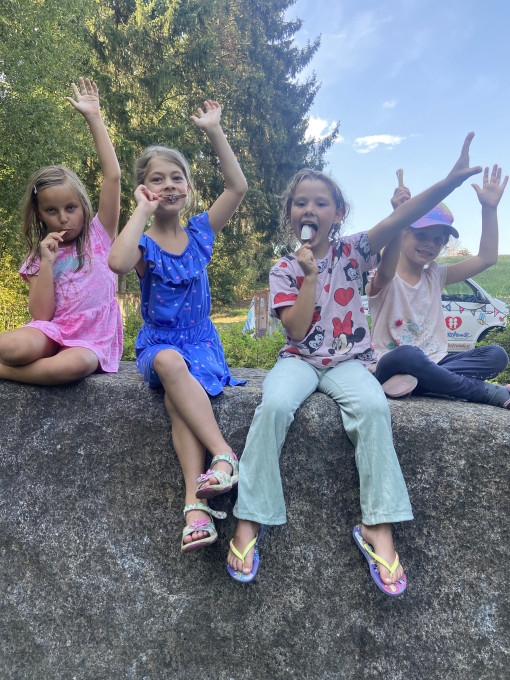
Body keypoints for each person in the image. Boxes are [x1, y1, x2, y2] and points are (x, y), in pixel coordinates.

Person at [226, 133, 482, 596]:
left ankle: (377, 526)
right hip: (300, 360)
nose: (310, 209)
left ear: (338, 213)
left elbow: (400, 219)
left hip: (349, 361)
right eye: (301, 203)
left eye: (321, 203)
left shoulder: (354, 251)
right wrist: (308, 276)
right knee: (274, 407)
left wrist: (451, 181)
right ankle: (250, 516)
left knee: (374, 408)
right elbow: (296, 331)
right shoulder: (284, 269)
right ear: (290, 215)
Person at [108, 100, 248, 554]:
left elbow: (238, 187)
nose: (168, 185)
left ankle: (195, 507)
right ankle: (224, 455)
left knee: (177, 399)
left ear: (188, 187)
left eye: (176, 177)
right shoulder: (144, 243)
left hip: (201, 342)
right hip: (160, 344)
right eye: (157, 179)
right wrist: (140, 213)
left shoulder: (201, 232)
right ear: (143, 189)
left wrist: (215, 131)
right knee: (170, 364)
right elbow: (117, 262)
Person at [0, 77, 122, 384]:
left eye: (71, 208)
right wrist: (47, 262)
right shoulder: (38, 255)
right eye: (52, 211)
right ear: (40, 214)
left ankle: (5, 373)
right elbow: (41, 316)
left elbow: (113, 177)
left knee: (73, 366)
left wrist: (94, 118)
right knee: (9, 347)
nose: (64, 218)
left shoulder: (99, 235)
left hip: (91, 338)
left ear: (82, 205)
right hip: (52, 331)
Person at [367, 164, 509, 408]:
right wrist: (400, 216)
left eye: (438, 240)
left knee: (496, 355)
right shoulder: (383, 275)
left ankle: (421, 383)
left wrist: (489, 209)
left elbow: (487, 258)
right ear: (404, 231)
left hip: (436, 362)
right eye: (421, 235)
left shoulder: (436, 276)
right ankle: (483, 392)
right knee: (408, 354)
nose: (430, 244)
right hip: (391, 363)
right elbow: (386, 267)